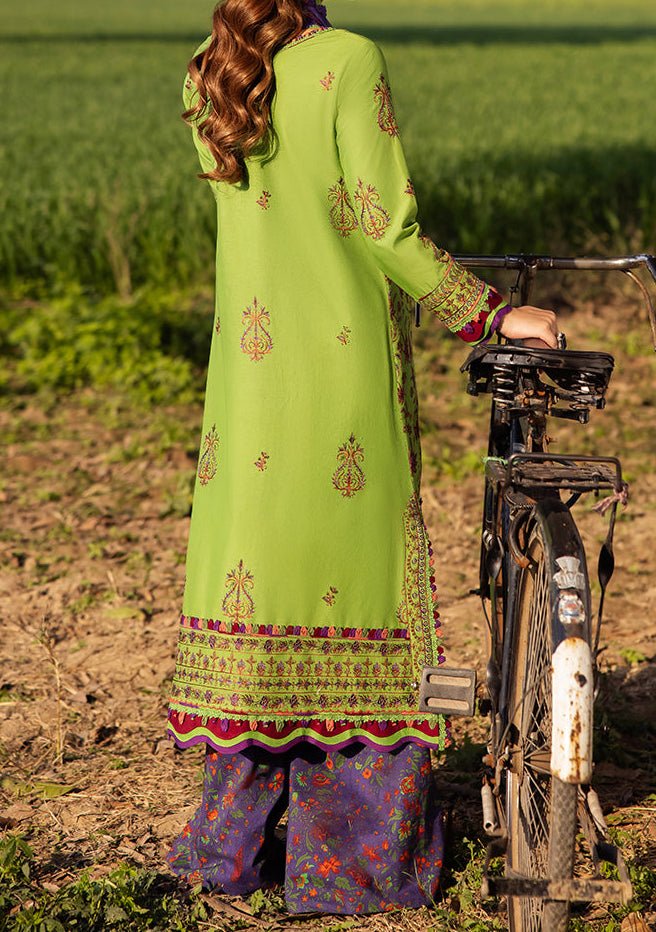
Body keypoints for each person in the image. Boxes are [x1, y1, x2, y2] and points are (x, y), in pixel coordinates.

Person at [165, 0, 558, 915]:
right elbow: (385, 228)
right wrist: (494, 313)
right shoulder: (348, 58)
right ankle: (351, 864)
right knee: (360, 584)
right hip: (338, 378)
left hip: (248, 394)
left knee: (264, 580)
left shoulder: (209, 72)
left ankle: (238, 847)